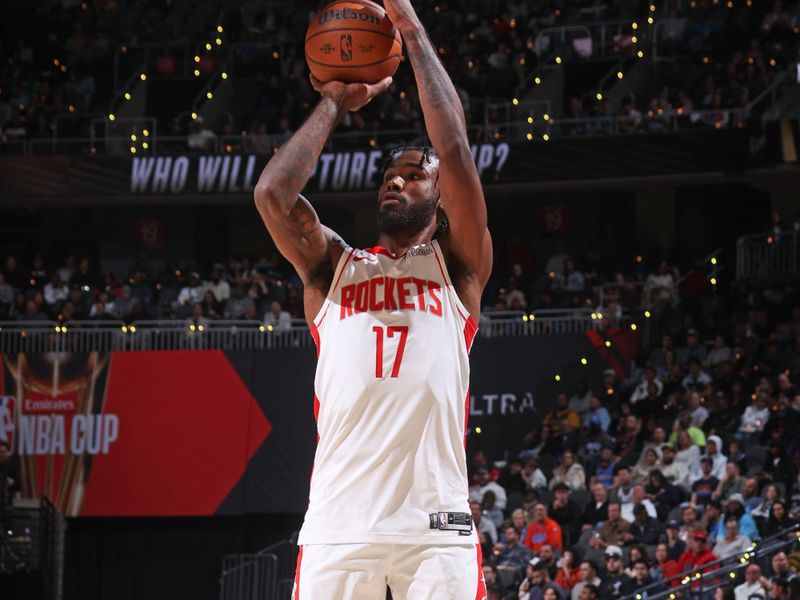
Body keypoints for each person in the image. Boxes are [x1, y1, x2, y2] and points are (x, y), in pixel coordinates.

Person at [255, 0, 493, 595]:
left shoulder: (457, 266)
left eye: (415, 174)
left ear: (440, 202)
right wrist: (334, 100)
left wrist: (410, 31)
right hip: (340, 523)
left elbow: (457, 151)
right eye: (391, 172)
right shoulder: (332, 267)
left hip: (436, 526)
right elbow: (272, 194)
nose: (396, 178)